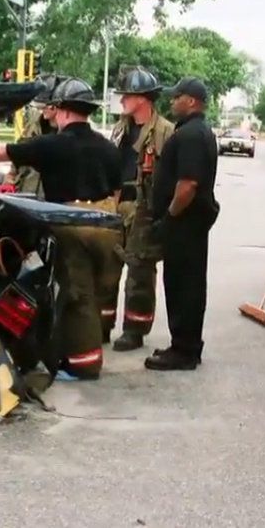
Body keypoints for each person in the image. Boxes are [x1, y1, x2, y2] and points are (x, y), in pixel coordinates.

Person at [0, 77, 123, 380]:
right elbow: (117, 191)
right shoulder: (107, 147)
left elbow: (2, 152)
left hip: (70, 222)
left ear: (63, 112)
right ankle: (94, 344)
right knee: (100, 290)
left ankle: (83, 364)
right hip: (107, 224)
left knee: (78, 295)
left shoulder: (53, 145)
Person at [147, 77, 220, 371]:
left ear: (191, 101)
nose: (172, 101)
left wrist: (170, 217)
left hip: (185, 223)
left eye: (177, 97)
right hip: (188, 223)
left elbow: (188, 184)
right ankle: (183, 344)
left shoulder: (191, 135)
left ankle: (185, 351)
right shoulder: (194, 131)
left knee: (184, 286)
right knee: (181, 284)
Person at [108, 67, 175, 351]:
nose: (122, 99)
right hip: (117, 203)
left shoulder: (166, 132)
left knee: (140, 271)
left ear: (143, 98)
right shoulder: (121, 127)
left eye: (127, 94)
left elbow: (171, 176)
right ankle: (102, 325)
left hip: (144, 207)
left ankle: (134, 330)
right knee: (108, 266)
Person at [0, 73, 60, 197]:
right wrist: (10, 177)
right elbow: (20, 151)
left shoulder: (71, 130)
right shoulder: (34, 122)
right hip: (26, 195)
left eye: (45, 106)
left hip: (54, 202)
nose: (42, 111)